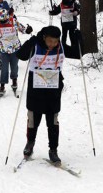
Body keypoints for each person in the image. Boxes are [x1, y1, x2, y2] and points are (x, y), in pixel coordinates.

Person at [15, 26, 83, 166]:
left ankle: (53, 150)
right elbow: (20, 55)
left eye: (55, 41)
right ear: (44, 37)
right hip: (36, 89)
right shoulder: (35, 46)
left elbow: (78, 53)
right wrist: (32, 40)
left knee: (52, 121)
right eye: (50, 41)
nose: (53, 44)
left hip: (53, 89)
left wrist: (77, 38)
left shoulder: (61, 47)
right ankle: (30, 143)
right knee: (33, 119)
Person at [0, 9, 33, 96]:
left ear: (7, 17)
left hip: (15, 48)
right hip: (4, 49)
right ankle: (2, 85)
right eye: (1, 21)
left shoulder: (13, 21)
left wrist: (27, 30)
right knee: (4, 68)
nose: (3, 22)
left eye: (4, 20)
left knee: (14, 67)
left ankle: (14, 81)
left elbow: (23, 29)